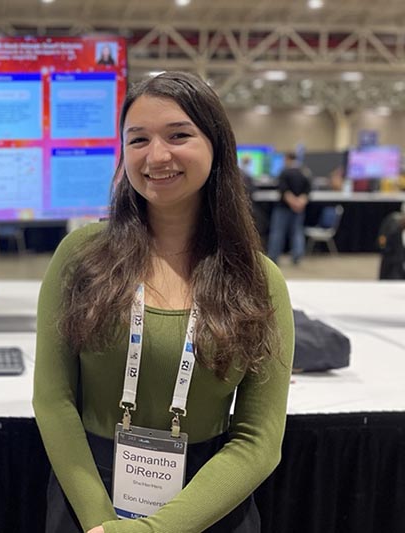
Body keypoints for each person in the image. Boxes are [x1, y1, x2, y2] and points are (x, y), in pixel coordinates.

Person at [33, 71, 294, 533]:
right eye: (138, 140)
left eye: (178, 135)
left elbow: (259, 439)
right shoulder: (81, 257)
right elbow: (53, 401)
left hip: (208, 504)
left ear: (216, 146)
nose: (157, 156)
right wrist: (100, 522)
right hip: (90, 500)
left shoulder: (257, 279)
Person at [266, 153, 311, 265]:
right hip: (299, 209)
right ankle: (297, 256)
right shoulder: (304, 173)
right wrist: (299, 203)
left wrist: (292, 202)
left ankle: (274, 256)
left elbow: (284, 190)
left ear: (287, 159)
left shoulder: (284, 173)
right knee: (297, 232)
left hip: (283, 208)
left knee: (278, 232)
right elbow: (307, 190)